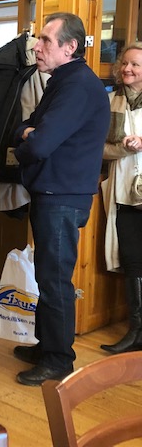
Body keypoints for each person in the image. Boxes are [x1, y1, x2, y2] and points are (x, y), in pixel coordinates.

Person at [11, 12, 110, 385]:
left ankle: (58, 360)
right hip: (55, 192)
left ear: (70, 47)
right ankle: (46, 345)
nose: (37, 47)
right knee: (47, 275)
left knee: (54, 280)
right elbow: (23, 128)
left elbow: (38, 144)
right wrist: (27, 134)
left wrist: (28, 138)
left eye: (45, 41)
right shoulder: (62, 81)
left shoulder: (77, 86)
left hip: (62, 195)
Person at [100, 42, 142, 354]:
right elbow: (97, 146)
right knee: (132, 260)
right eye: (124, 63)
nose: (127, 69)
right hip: (124, 190)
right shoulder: (110, 101)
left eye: (135, 65)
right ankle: (136, 331)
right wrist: (123, 149)